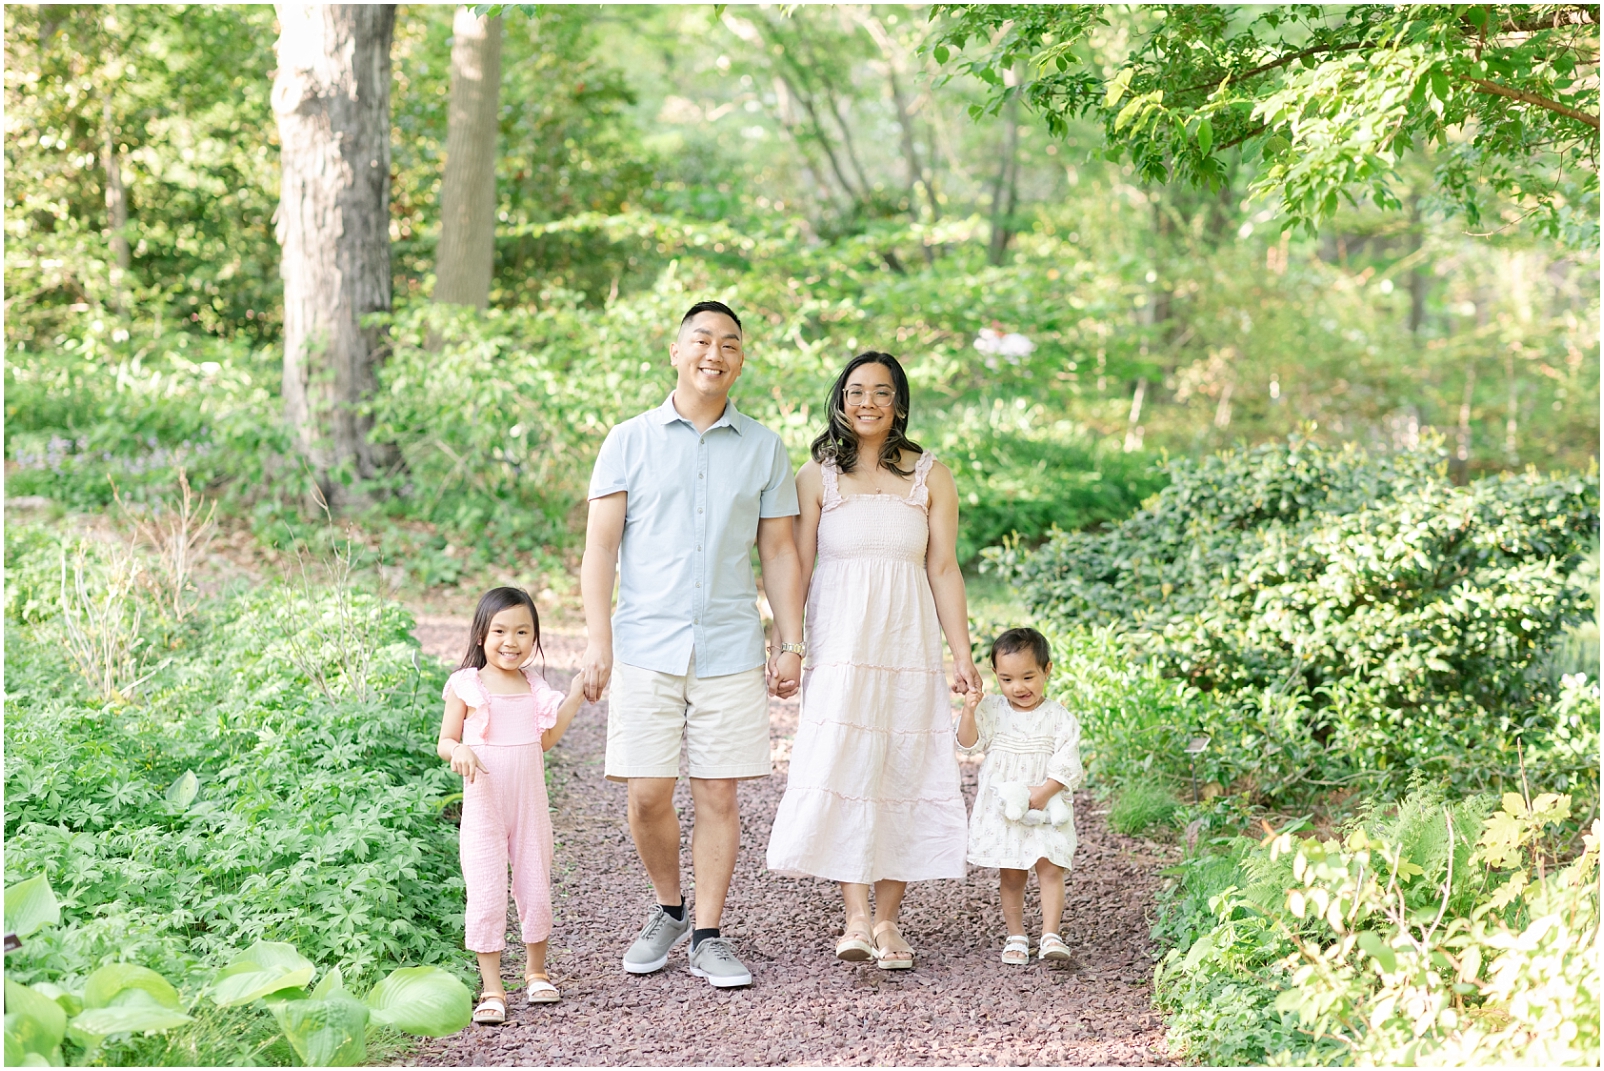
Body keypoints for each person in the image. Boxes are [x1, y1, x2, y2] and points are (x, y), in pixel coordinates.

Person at [580, 299, 805, 989]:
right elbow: (600, 548)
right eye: (701, 340)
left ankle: (708, 932)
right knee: (647, 793)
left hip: (731, 644)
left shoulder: (764, 446)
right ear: (675, 351)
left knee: (718, 793)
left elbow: (780, 550)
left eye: (729, 343)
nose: (715, 353)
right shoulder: (628, 438)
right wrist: (598, 641)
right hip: (647, 641)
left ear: (741, 359)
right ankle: (668, 908)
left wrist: (789, 639)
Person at [766, 351, 979, 970]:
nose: (867, 402)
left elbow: (942, 568)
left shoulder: (931, 476)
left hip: (908, 647)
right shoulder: (817, 476)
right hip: (841, 649)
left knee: (903, 766)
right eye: (855, 391)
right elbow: (794, 568)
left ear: (899, 404)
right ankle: (854, 916)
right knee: (848, 763)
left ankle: (888, 920)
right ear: (840, 399)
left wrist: (961, 654)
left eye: (880, 392)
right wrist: (789, 646)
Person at [437, 586, 587, 1023]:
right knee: (485, 892)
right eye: (500, 630)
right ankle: (492, 989)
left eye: (523, 631)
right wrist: (459, 750)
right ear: (481, 634)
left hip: (529, 803)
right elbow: (446, 740)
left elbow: (545, 741)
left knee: (535, 883)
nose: (511, 641)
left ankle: (536, 972)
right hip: (485, 804)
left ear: (535, 638)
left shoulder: (533, 687)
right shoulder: (467, 685)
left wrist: (575, 694)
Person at [956, 627, 1084, 966]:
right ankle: (1016, 934)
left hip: (1045, 804)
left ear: (1047, 670)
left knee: (1050, 866)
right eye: (1007, 679)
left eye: (1028, 677)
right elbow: (969, 744)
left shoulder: (1058, 717)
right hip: (1007, 810)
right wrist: (969, 710)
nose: (1019, 687)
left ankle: (1050, 935)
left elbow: (1068, 761)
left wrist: (1044, 792)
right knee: (1011, 873)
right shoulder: (994, 711)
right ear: (996, 678)